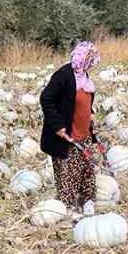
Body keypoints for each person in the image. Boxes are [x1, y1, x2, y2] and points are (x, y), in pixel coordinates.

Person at [39, 40, 103, 211]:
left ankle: (86, 203)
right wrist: (58, 125)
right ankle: (67, 210)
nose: (92, 66)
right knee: (67, 176)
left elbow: (82, 100)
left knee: (87, 172)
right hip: (67, 137)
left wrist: (90, 113)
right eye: (91, 62)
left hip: (84, 134)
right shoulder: (64, 75)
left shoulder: (84, 76)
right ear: (84, 59)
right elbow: (46, 99)